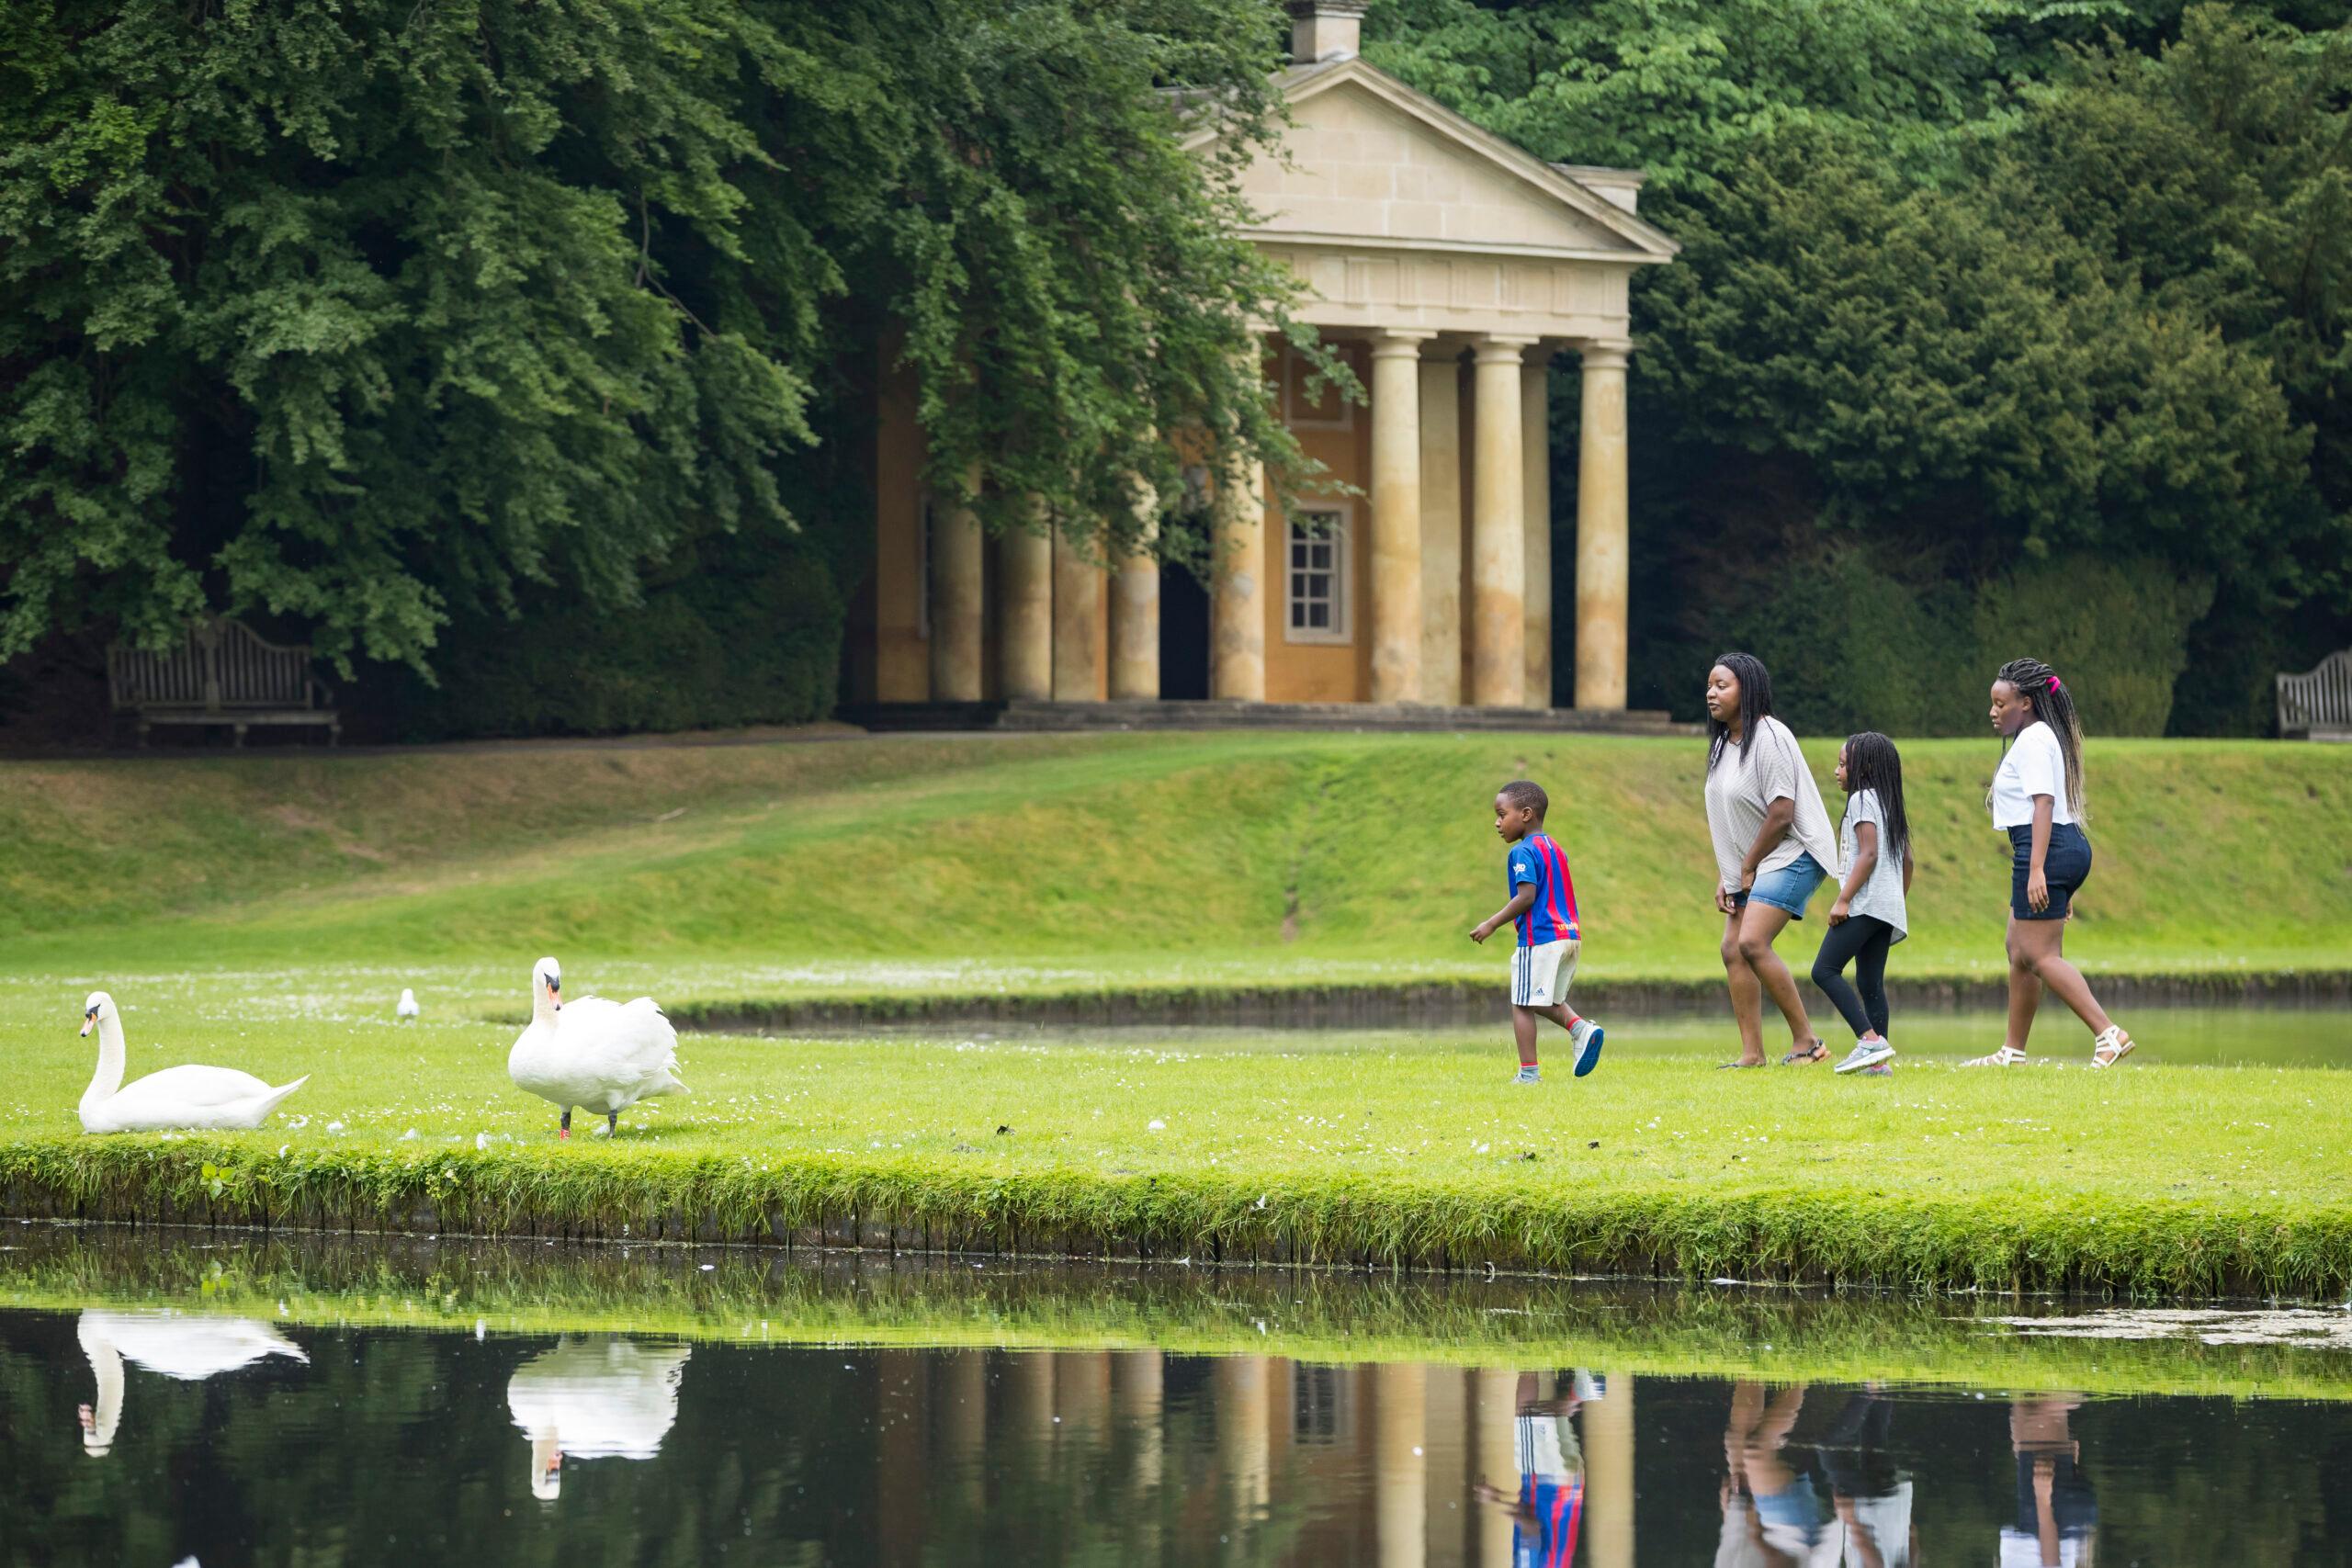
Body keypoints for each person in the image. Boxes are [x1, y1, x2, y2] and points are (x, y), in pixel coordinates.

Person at [1964, 657, 2138, 1068]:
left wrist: (2039, 870)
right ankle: (2013, 1051)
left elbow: (2043, 804)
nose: (1992, 712)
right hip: (2055, 848)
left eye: (2001, 704)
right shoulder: (2038, 736)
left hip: (2045, 847)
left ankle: (2108, 1034)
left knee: (2040, 956)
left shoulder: (2033, 741)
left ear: (2025, 703)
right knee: (2018, 948)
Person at [1702, 654, 1840, 1068]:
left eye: (1722, 686)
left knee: (1752, 942)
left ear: (1747, 689)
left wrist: (1747, 866)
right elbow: (1733, 816)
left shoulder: (1771, 737)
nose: (1711, 693)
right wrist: (1728, 873)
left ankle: (1808, 1043)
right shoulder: (1723, 745)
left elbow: (1782, 812)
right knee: (1732, 948)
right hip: (1757, 859)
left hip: (1795, 850)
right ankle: (1752, 1055)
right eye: (1709, 685)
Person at [1471, 780, 1603, 1084]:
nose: (1497, 823)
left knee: (1521, 1003)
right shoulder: (1556, 848)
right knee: (1544, 1000)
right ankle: (1581, 1030)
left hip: (1540, 938)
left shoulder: (1522, 852)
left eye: (1502, 815)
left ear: (1526, 814)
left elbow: (1526, 897)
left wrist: (1491, 924)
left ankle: (1529, 1073)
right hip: (1569, 935)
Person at [1812, 733, 1913, 1076]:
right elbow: (1908, 860)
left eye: (1843, 765)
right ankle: (1877, 1065)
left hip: (1866, 904)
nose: (1836, 771)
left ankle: (1869, 1041)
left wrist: (1843, 900)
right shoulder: (1889, 800)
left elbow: (1868, 853)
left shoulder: (1861, 799)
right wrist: (1895, 899)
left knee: (1824, 970)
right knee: (1870, 984)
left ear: (1864, 768)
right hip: (1886, 908)